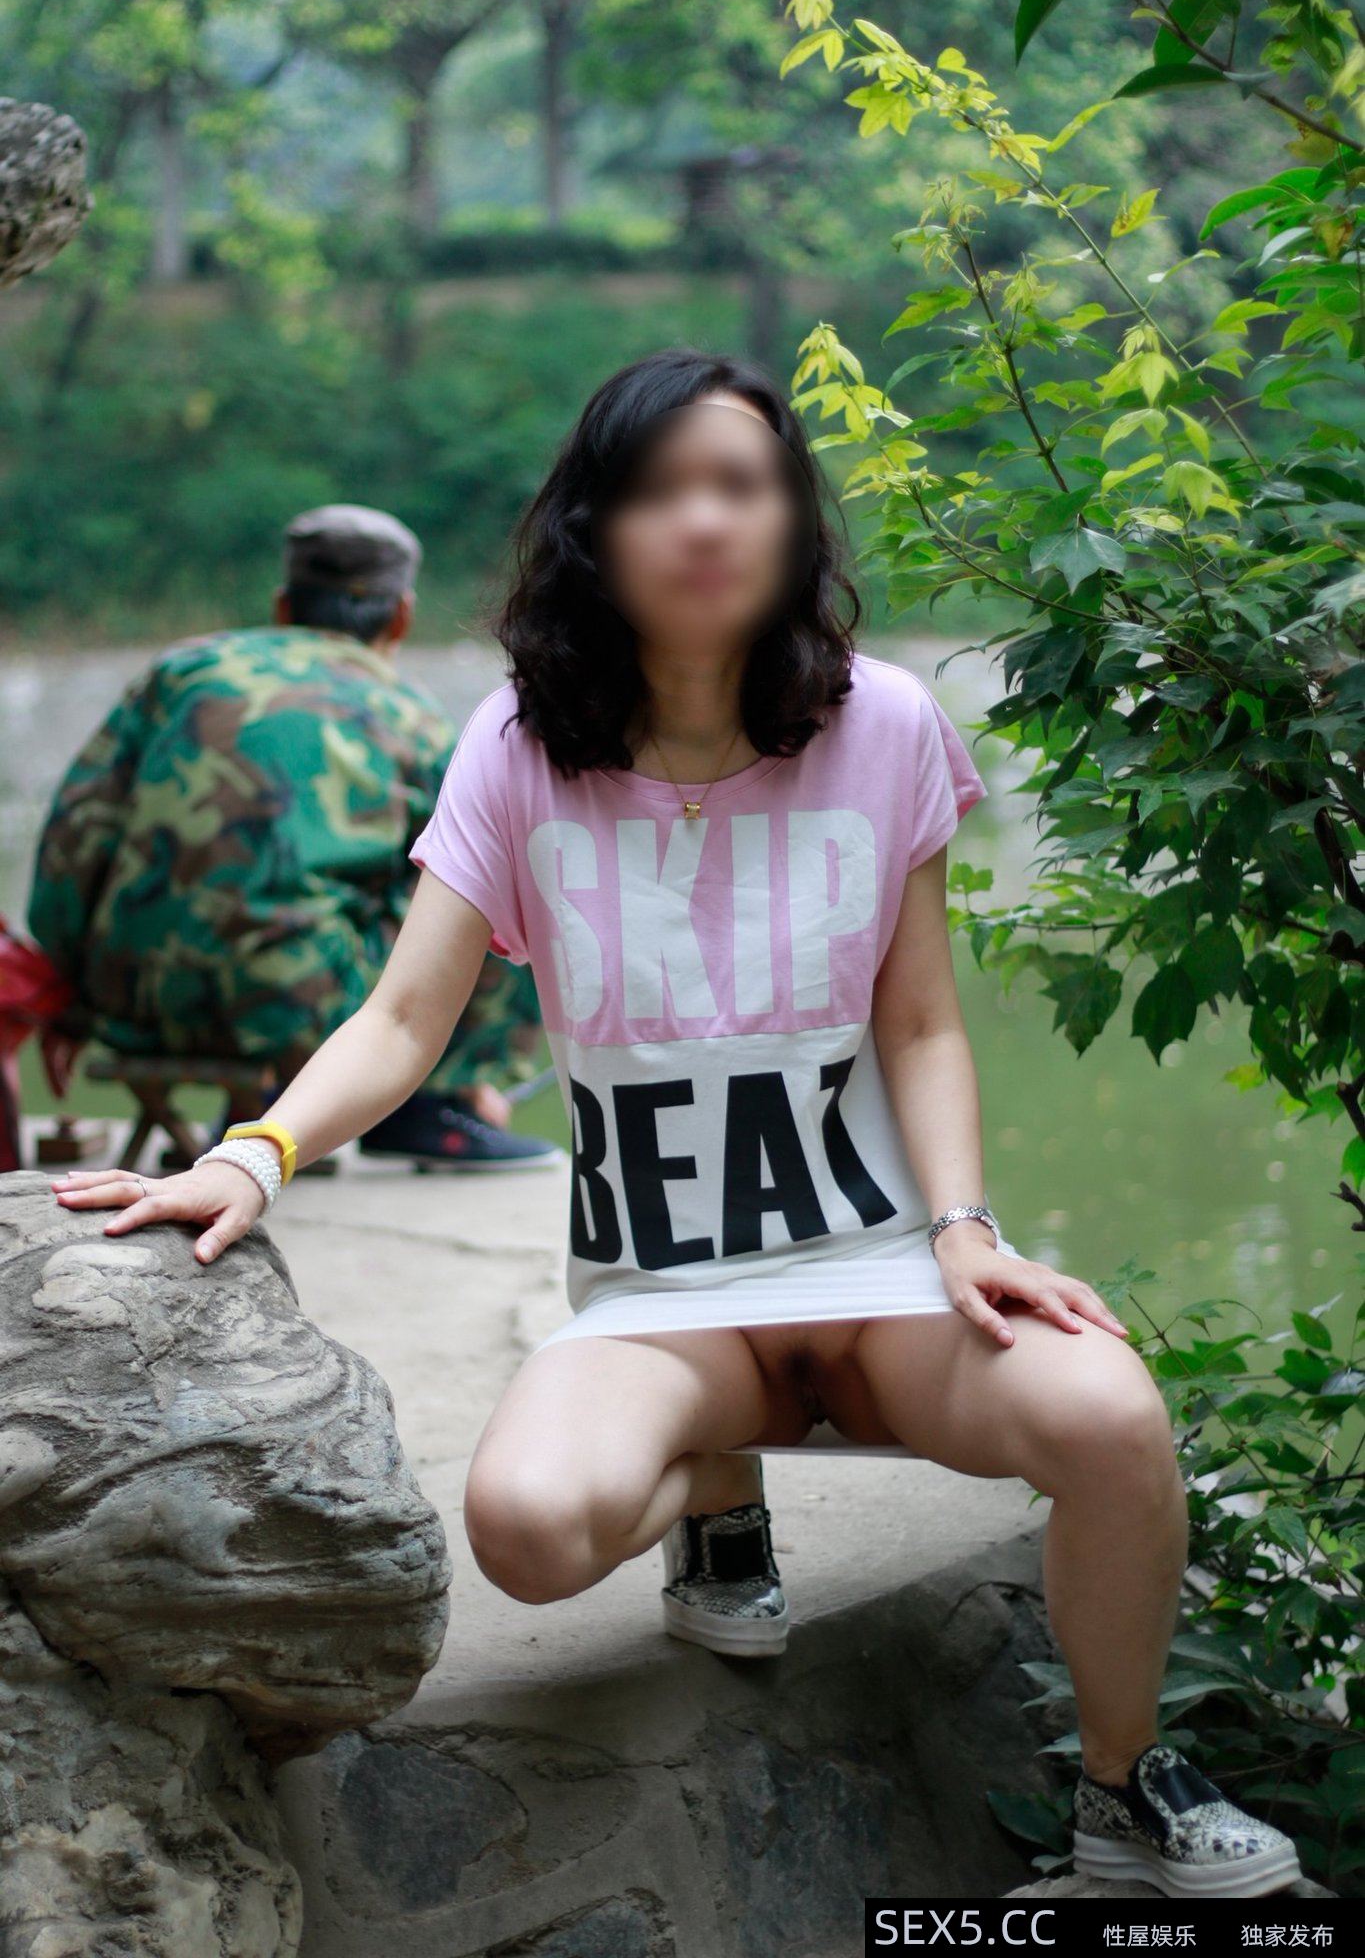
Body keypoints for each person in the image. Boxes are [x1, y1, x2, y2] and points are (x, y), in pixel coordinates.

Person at [49, 353, 1305, 1897]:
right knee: (526, 1530)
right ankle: (714, 1482)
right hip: (665, 1300)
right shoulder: (519, 746)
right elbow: (404, 1018)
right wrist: (253, 1156)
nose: (704, 520)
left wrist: (965, 1230)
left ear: (790, 519)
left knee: (1110, 1419)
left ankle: (1120, 1793)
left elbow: (919, 1021)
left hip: (883, 1276)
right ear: (597, 529)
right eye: (659, 490)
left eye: (741, 484)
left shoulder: (885, 724)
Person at [25, 502, 558, 1172]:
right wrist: (466, 1060)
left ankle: (273, 1107)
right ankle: (433, 1107)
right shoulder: (410, 713)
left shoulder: (180, 672)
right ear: (401, 615)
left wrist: (68, 993)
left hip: (132, 1000)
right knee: (492, 880)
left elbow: (75, 839)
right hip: (296, 1013)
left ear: (283, 605)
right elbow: (461, 879)